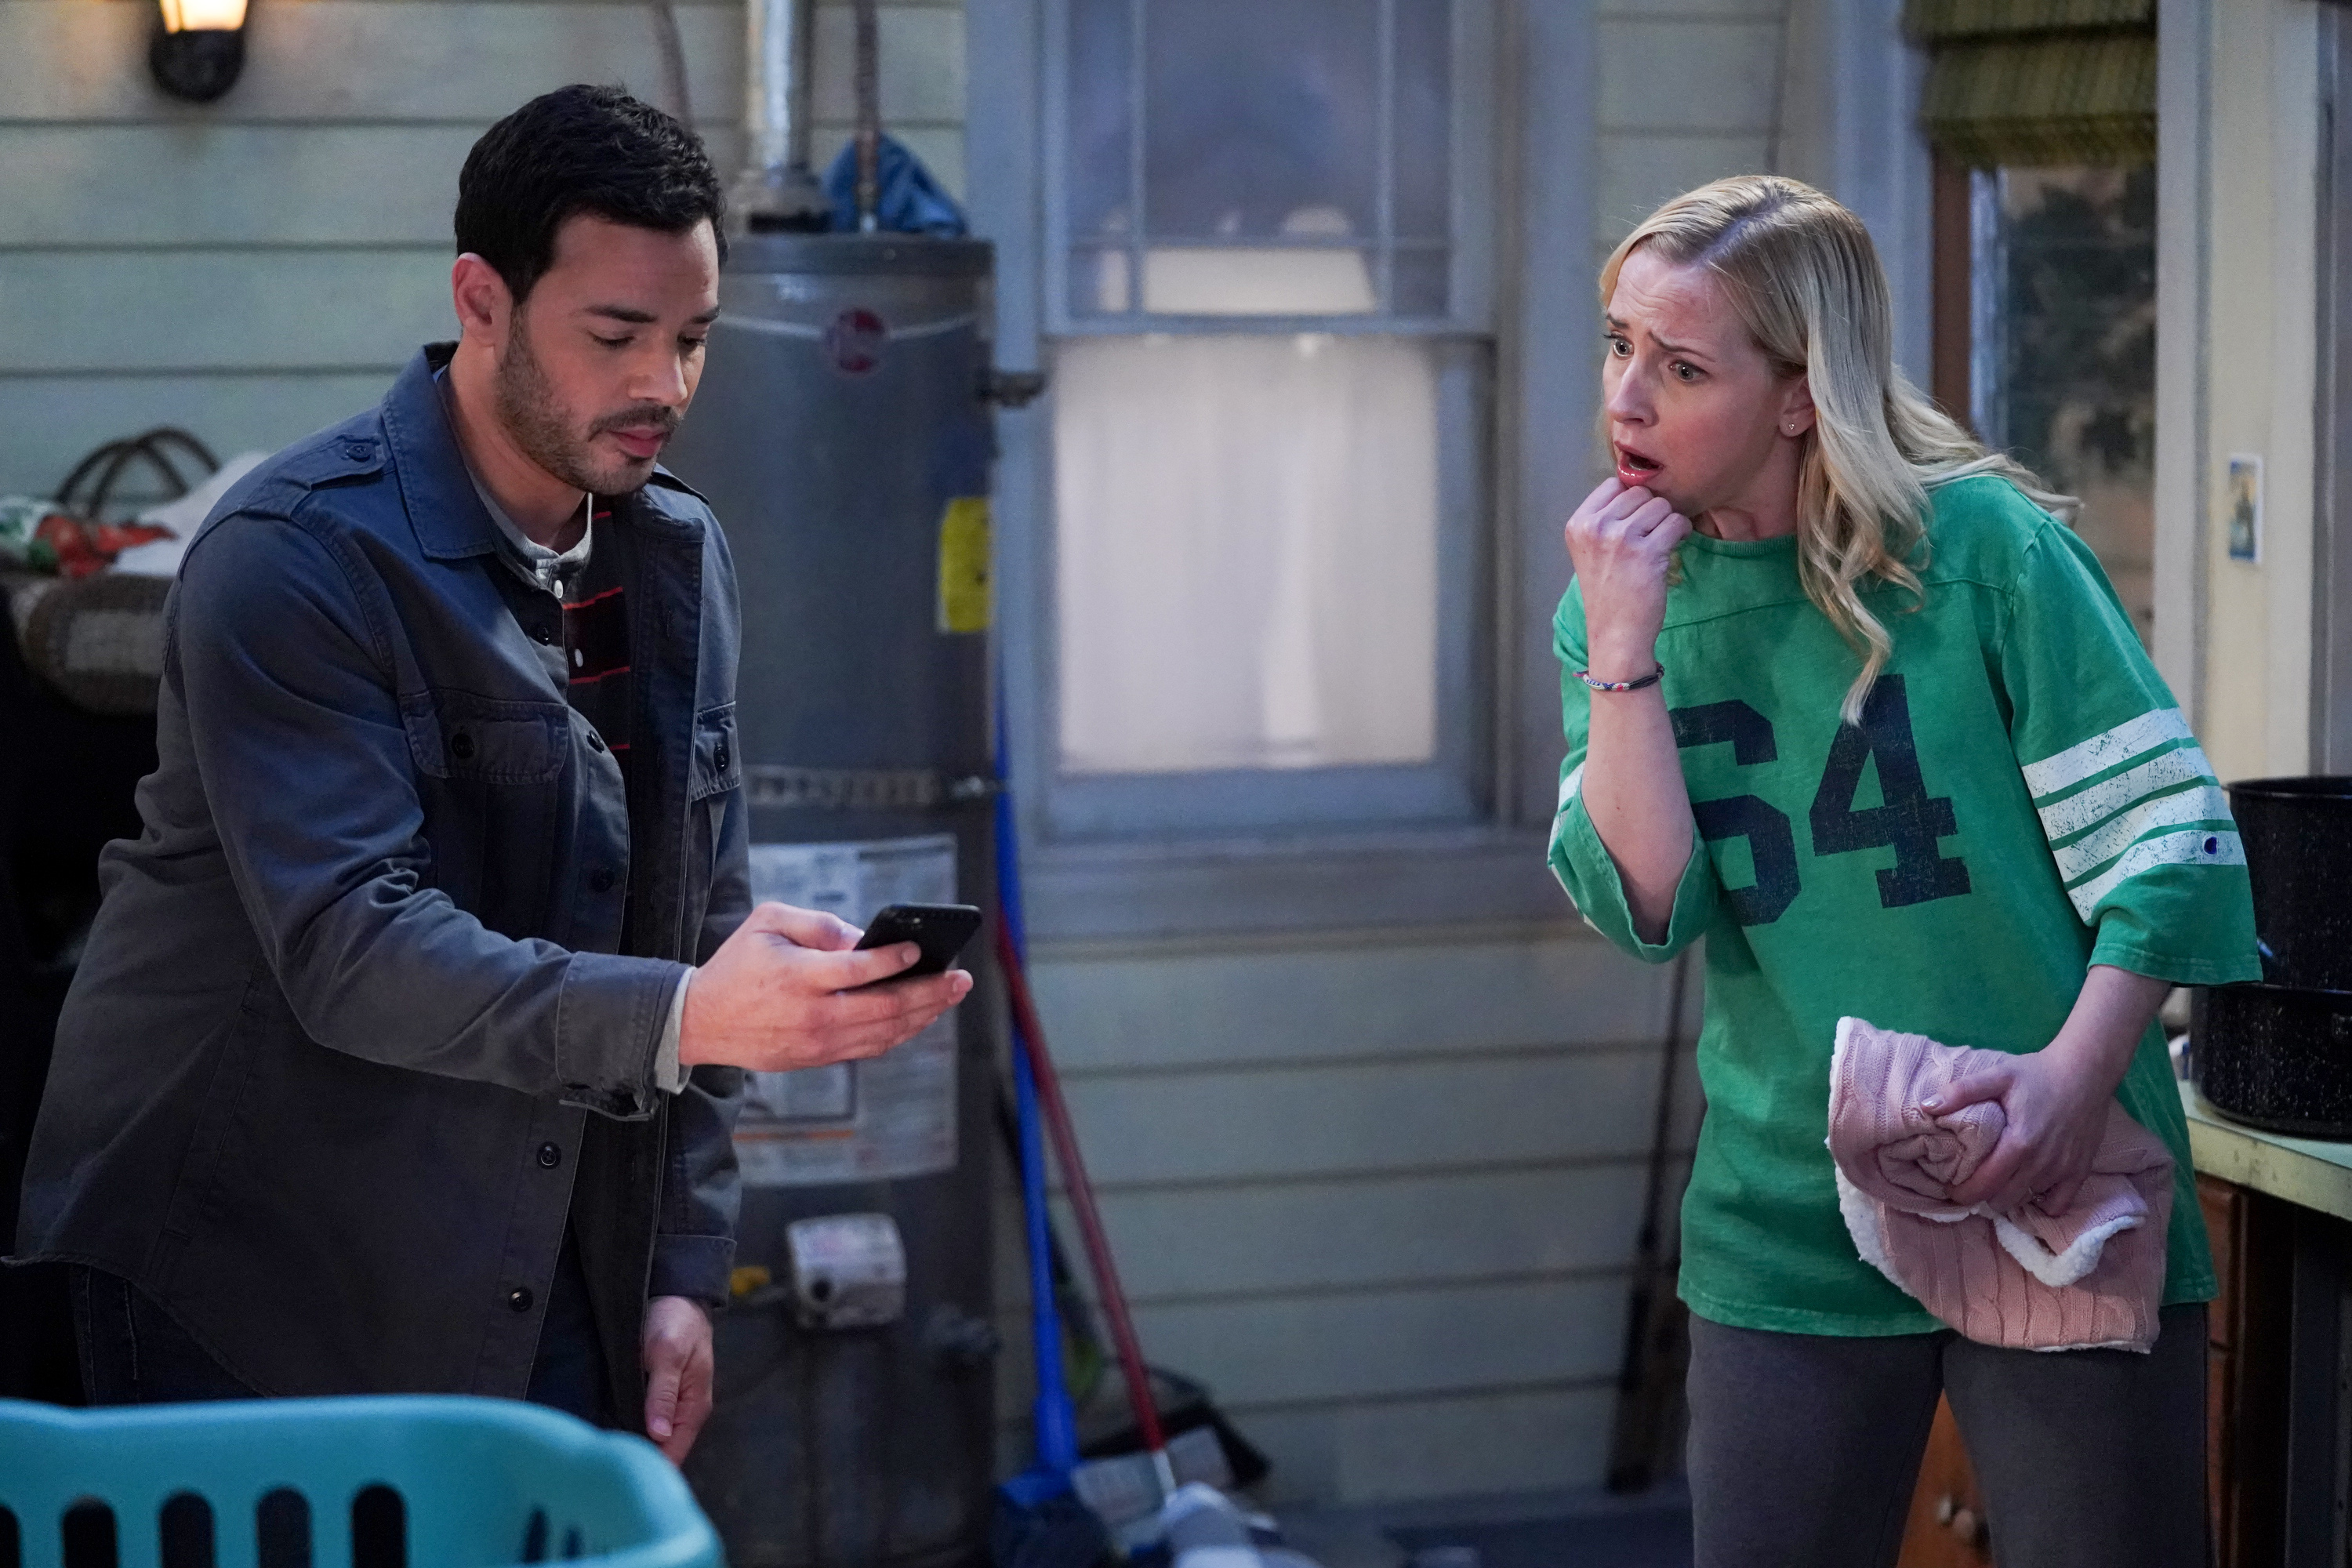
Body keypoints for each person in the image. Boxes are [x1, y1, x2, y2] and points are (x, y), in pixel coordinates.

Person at [10, 85, 971, 1464]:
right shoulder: (294, 556)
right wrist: (693, 1013)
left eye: (693, 338)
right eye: (616, 335)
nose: (665, 385)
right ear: (482, 301)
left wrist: (680, 1265)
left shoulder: (678, 555)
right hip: (239, 1259)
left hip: (530, 1239)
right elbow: (352, 946)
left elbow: (700, 917)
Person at [1548, 175, 2258, 1568]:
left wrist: (2068, 1089)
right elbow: (1647, 906)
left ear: (1799, 395)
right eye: (1619, 344)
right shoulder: (1620, 601)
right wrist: (1624, 646)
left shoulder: (1985, 552)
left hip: (2056, 1178)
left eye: (1682, 367)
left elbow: (2171, 845)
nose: (1627, 398)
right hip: (1786, 1211)